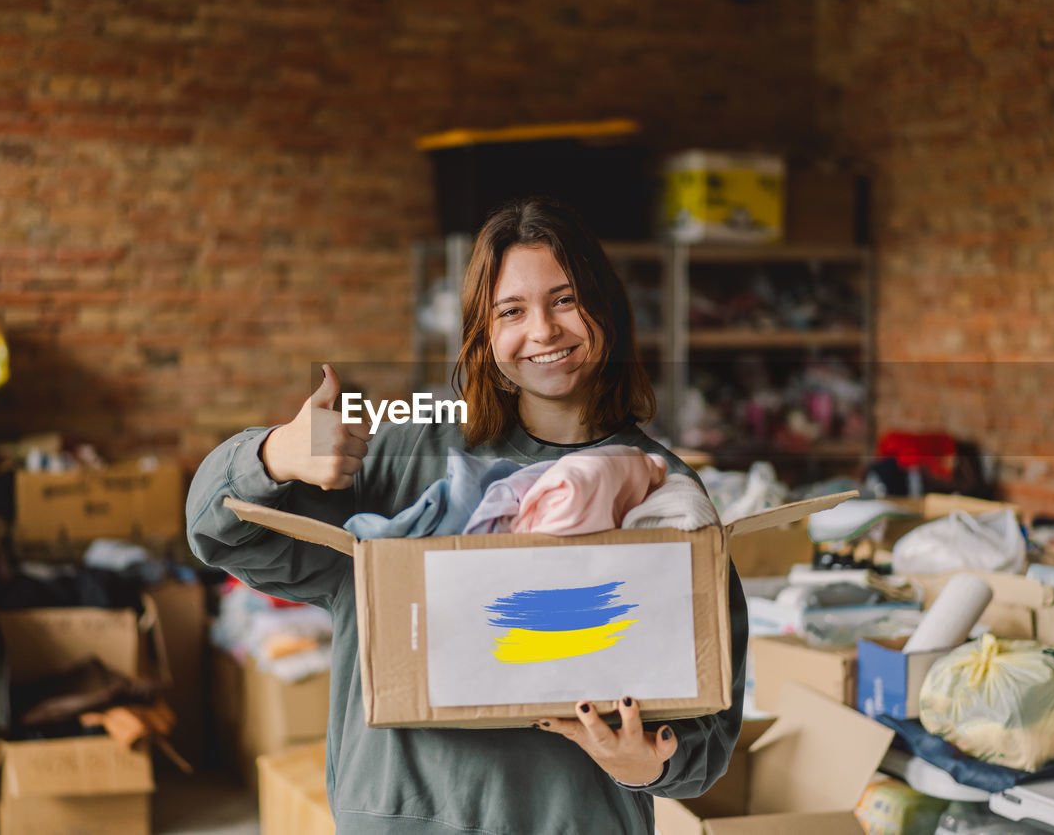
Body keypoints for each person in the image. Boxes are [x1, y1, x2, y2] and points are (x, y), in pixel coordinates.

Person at [187, 197, 749, 834]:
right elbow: (221, 534)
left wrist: (646, 763)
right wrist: (272, 454)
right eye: (511, 310)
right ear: (484, 333)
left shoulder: (664, 492)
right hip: (405, 819)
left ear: (607, 312)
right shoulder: (409, 445)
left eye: (566, 300)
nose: (542, 331)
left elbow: (709, 732)